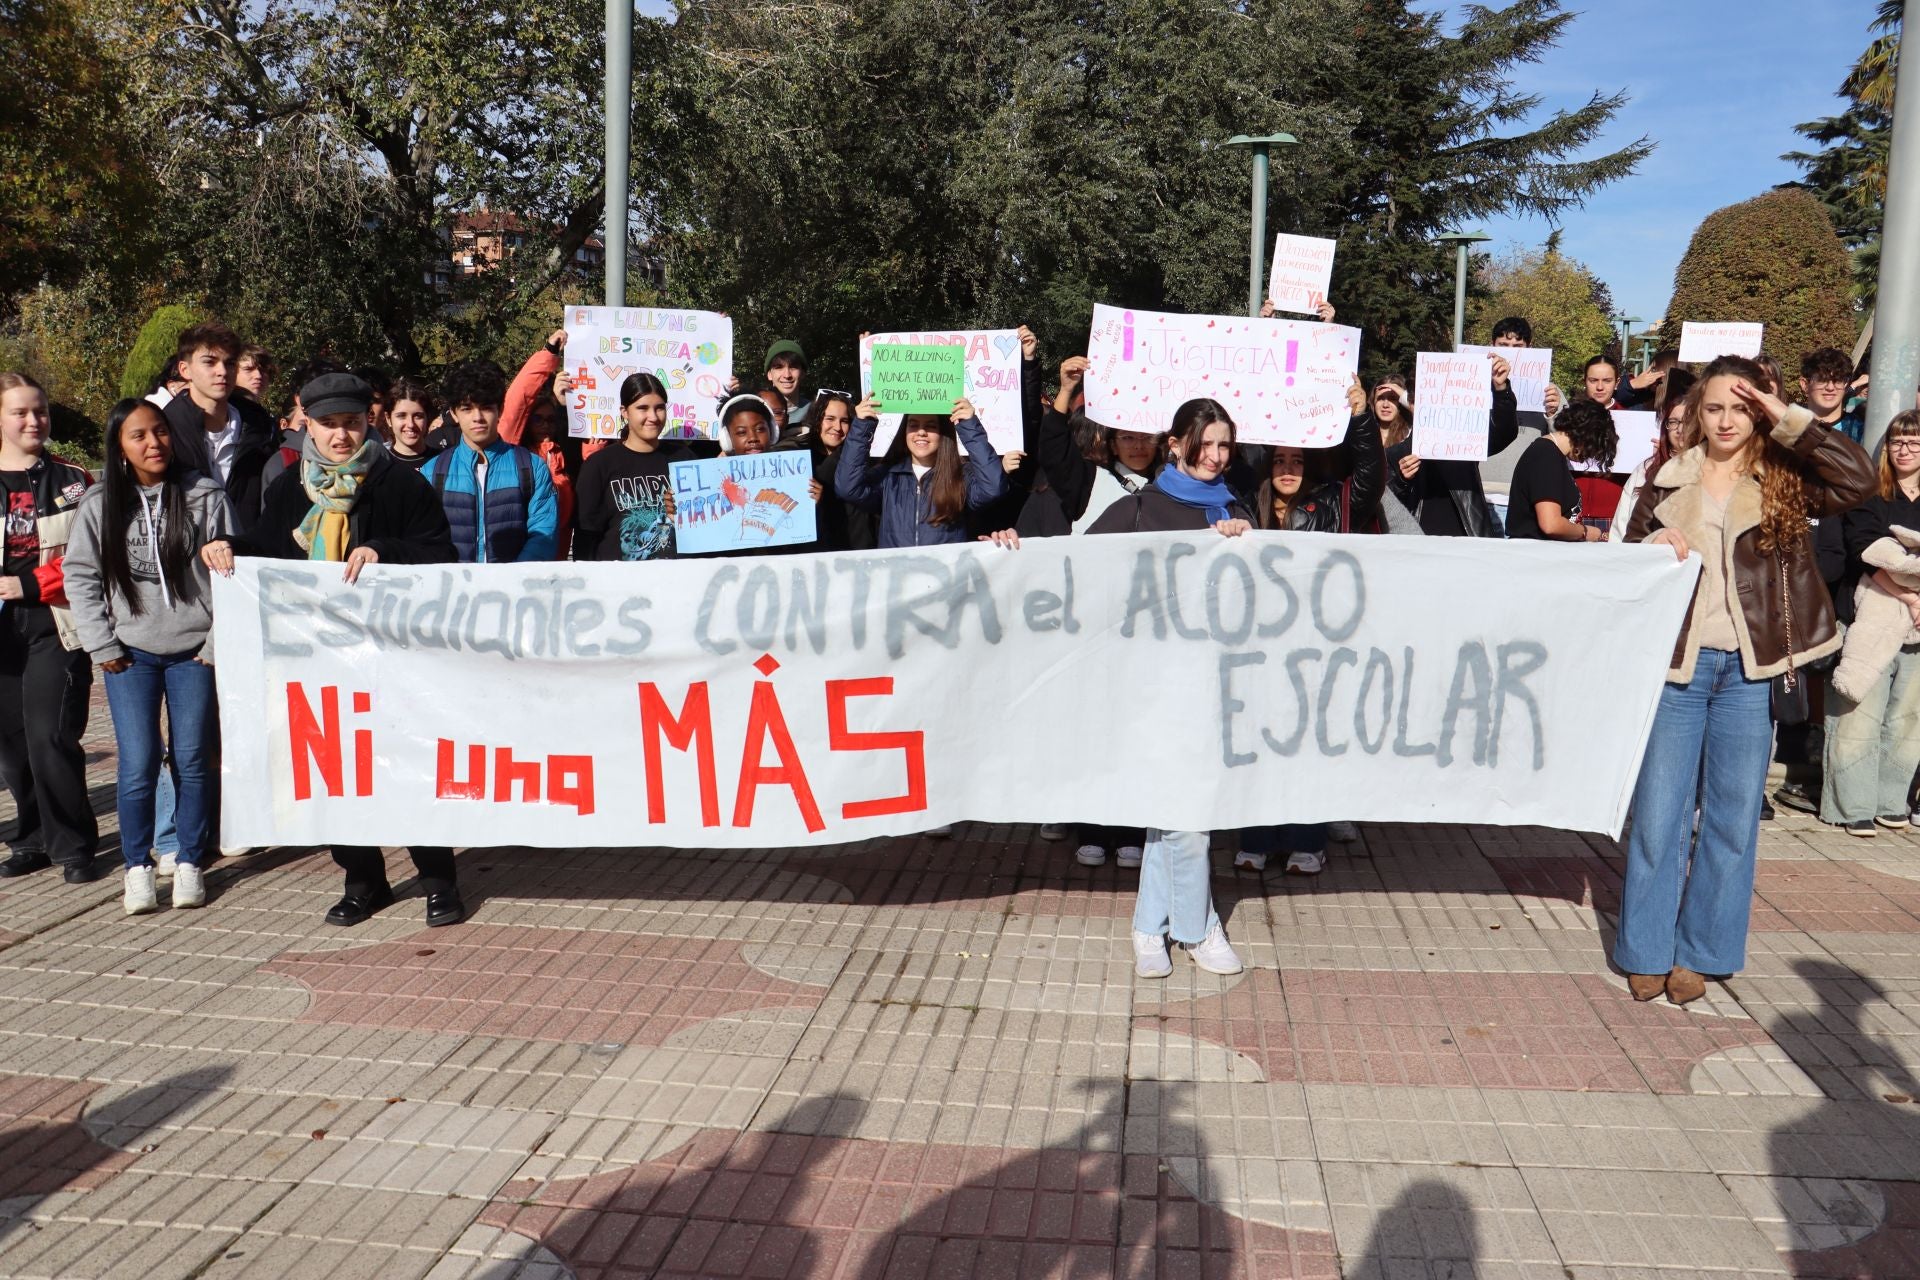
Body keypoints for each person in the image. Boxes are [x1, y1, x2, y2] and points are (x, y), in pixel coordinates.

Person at [1618, 355, 1874, 1004]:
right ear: (1696, 414)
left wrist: (1784, 416)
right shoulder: (1666, 479)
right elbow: (1623, 564)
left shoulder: (1785, 478)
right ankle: (1646, 946)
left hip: (1750, 671)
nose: (1727, 420)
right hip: (1678, 664)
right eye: (1714, 407)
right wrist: (1649, 550)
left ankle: (1702, 952)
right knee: (1658, 814)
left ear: (1758, 409)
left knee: (1733, 818)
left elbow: (1861, 480)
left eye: (1740, 407)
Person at [201, 372, 466, 927]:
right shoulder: (289, 488)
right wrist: (230, 548)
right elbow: (268, 548)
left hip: (395, 657)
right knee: (335, 772)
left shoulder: (399, 484)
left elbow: (440, 554)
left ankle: (439, 879)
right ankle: (363, 880)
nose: (340, 436)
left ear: (368, 421)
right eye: (328, 425)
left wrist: (381, 550)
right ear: (306, 426)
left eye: (351, 423)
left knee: (407, 763)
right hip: (317, 660)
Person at [1088, 398, 1249, 978]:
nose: (1215, 455)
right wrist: (1009, 545)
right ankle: (1199, 927)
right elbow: (1074, 561)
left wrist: (1242, 540)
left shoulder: (1235, 507)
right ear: (1177, 444)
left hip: (1214, 681)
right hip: (1151, 682)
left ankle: (1149, 927)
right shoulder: (1140, 509)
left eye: (1225, 444)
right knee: (1185, 803)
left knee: (1176, 806)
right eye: (1205, 443)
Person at [64, 400, 233, 914]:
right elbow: (81, 577)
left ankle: (187, 860)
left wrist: (214, 644)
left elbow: (232, 575)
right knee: (137, 763)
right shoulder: (100, 504)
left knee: (192, 760)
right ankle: (137, 866)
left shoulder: (204, 496)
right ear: (119, 446)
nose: (153, 443)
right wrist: (102, 643)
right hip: (130, 654)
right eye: (138, 436)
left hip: (194, 651)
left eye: (159, 432)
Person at [1236, 376, 1382, 876]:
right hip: (1257, 644)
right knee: (1257, 743)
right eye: (1279, 461)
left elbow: (1370, 474)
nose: (1288, 469)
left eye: (1297, 461)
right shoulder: (1243, 509)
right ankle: (1254, 837)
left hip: (1315, 647)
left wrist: (1361, 418)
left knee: (1306, 744)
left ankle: (1306, 839)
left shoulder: (1334, 505)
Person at [0, 374, 99, 884]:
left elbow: (89, 555)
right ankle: (31, 838)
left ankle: (74, 844)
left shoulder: (73, 479)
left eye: (39, 411)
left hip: (54, 622)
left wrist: (31, 586)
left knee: (50, 735)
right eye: (20, 412)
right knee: (12, 745)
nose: (34, 421)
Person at [1822, 409, 1920, 836]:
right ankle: (1851, 803)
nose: (1905, 449)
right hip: (1869, 615)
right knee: (1857, 713)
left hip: (1916, 629)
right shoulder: (1870, 493)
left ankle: (1890, 798)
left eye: (1915, 442)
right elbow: (1866, 548)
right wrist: (1910, 595)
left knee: (1908, 718)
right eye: (1898, 441)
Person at [420, 360, 559, 563]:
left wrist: (512, 581)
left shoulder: (532, 467)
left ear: (500, 409)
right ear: (454, 414)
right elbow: (425, 538)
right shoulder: (432, 472)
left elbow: (543, 535)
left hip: (516, 590)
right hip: (455, 590)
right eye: (467, 408)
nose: (477, 417)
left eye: (485, 407)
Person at [835, 395, 1006, 547]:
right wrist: (862, 426)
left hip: (947, 579)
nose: (921, 432)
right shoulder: (888, 476)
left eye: (931, 426)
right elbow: (847, 487)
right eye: (913, 425)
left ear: (942, 433)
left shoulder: (959, 475)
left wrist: (969, 426)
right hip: (897, 578)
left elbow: (993, 487)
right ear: (904, 432)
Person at [160, 323, 279, 532]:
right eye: (210, 362)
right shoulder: (164, 428)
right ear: (184, 369)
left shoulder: (261, 429)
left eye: (230, 363)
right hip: (186, 554)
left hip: (248, 555)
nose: (222, 372)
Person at [1385, 354, 1518, 537]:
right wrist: (1402, 480)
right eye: (1424, 400)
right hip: (1417, 546)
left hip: (1466, 543)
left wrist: (1501, 390)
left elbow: (1504, 433)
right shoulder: (1396, 454)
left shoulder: (1466, 445)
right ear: (1412, 404)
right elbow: (1384, 506)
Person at [573, 372, 683, 561]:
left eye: (659, 408)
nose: (653, 417)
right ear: (625, 412)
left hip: (676, 581)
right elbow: (586, 536)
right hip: (617, 584)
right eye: (643, 408)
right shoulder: (599, 465)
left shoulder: (683, 459)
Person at [1503, 397, 1615, 542]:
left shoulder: (1551, 455)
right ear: (1589, 436)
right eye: (1594, 448)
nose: (1590, 456)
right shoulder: (1546, 455)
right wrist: (1585, 532)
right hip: (1534, 552)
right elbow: (1551, 524)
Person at [1608, 370, 1697, 543]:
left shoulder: (1710, 468)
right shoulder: (1646, 469)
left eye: (1688, 421)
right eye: (1673, 422)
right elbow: (1620, 528)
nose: (1680, 429)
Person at [797, 390, 875, 552]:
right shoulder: (798, 460)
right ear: (817, 419)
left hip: (856, 553)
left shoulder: (862, 462)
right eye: (830, 419)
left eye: (845, 421)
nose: (837, 427)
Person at [1572, 354, 1629, 531]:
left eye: (1607, 380)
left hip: (1613, 511)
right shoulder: (1571, 416)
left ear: (1617, 382)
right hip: (1573, 510)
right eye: (1593, 380)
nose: (1599, 387)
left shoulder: (1632, 421)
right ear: (1585, 381)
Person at [1801, 347, 1866, 444]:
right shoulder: (1790, 426)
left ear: (1846, 384)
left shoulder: (1860, 432)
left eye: (1838, 380)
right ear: (1805, 385)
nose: (1830, 387)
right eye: (1822, 380)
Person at [385, 378, 447, 471]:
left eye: (418, 416)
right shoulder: (380, 465)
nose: (410, 424)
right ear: (388, 419)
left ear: (427, 417)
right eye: (401, 416)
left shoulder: (445, 462)